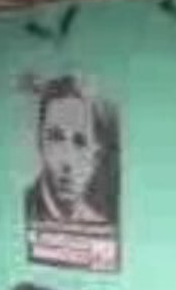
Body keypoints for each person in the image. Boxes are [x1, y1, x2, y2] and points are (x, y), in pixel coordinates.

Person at [25, 75, 117, 225]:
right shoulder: (26, 209)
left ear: (96, 156)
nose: (67, 160)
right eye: (56, 138)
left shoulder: (98, 222)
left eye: (80, 142)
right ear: (40, 143)